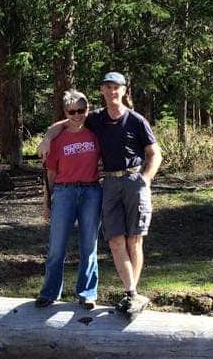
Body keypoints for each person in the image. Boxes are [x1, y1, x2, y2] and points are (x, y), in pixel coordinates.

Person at [39, 72, 162, 316]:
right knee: (101, 242)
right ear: (102, 91)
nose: (77, 115)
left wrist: (145, 180)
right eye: (107, 87)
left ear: (125, 90)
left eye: (116, 87)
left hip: (115, 184)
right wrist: (46, 137)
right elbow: (65, 128)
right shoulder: (91, 121)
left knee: (118, 242)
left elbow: (154, 153)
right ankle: (51, 293)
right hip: (88, 188)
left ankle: (118, 294)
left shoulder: (128, 121)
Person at [35, 89, 103, 310]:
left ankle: (87, 293)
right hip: (64, 192)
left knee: (89, 245)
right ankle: (50, 292)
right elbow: (51, 174)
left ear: (87, 109)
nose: (77, 115)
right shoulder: (58, 140)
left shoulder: (95, 133)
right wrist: (47, 203)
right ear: (65, 112)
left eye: (81, 110)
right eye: (72, 111)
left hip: (91, 192)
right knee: (57, 246)